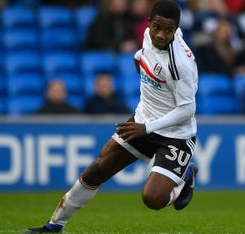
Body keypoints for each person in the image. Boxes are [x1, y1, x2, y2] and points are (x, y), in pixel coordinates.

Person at [24, 1, 198, 233]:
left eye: (168, 30)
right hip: (142, 120)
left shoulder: (180, 65)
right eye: (157, 26)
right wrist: (139, 60)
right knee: (97, 169)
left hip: (174, 135)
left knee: (153, 199)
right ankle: (54, 226)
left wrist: (146, 128)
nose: (160, 34)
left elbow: (187, 110)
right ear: (148, 23)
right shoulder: (149, 35)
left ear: (176, 30)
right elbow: (144, 53)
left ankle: (185, 175)